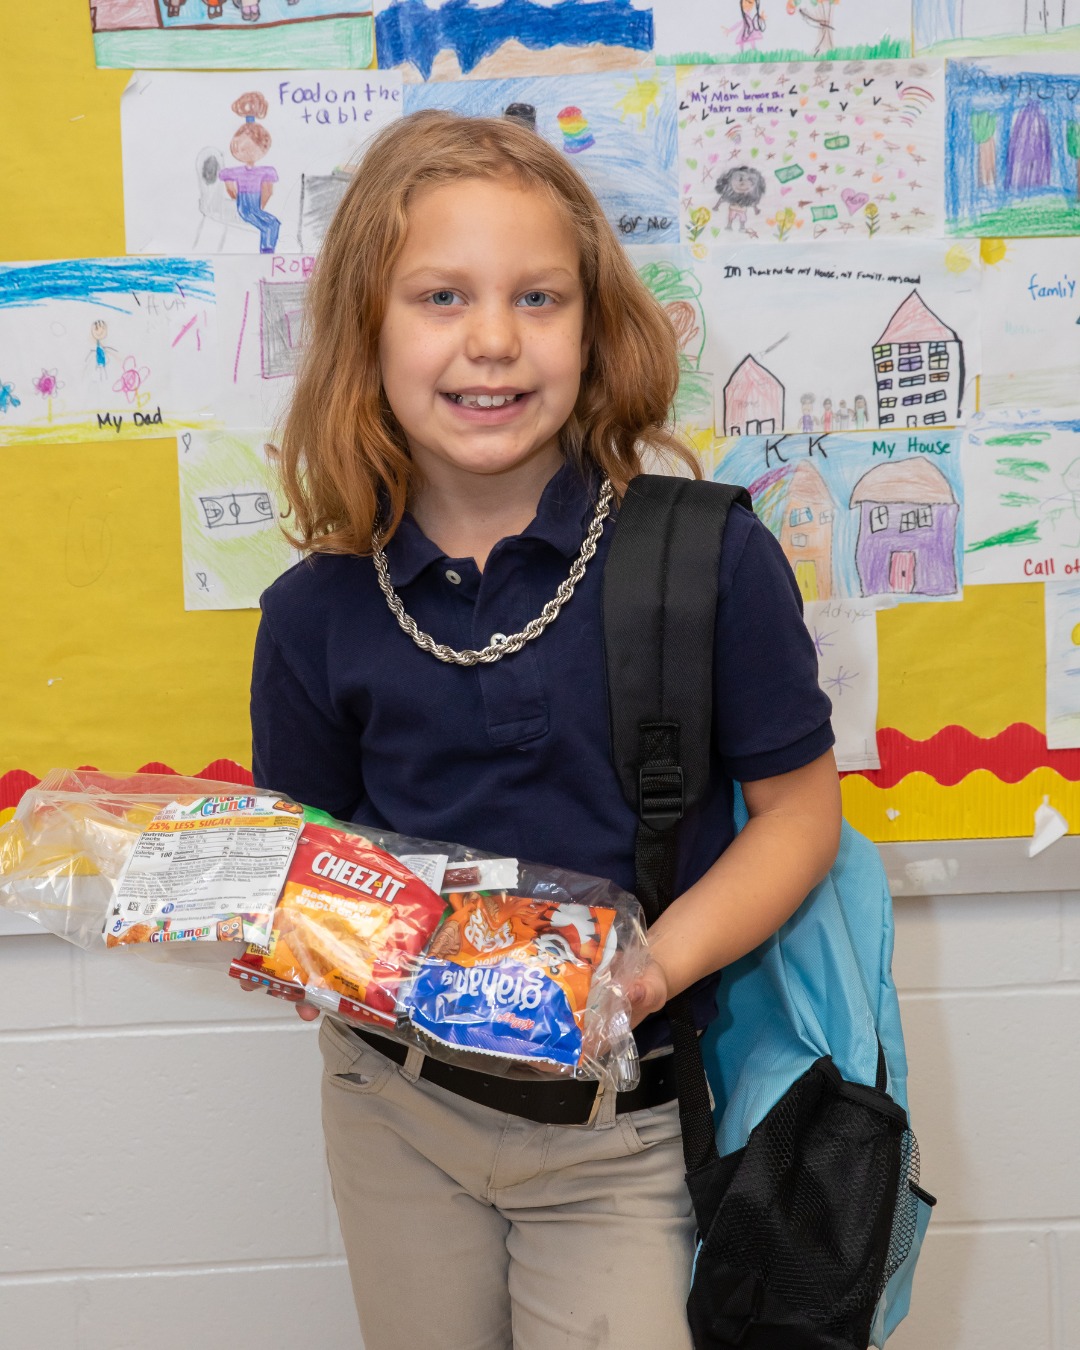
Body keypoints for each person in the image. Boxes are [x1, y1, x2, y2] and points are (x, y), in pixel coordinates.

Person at [249, 110, 840, 1350]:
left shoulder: (710, 559)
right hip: (393, 1109)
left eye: (538, 297)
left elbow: (801, 816)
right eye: (440, 296)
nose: (491, 341)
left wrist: (657, 972)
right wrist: (233, 898)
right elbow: (305, 864)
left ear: (594, 326)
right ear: (367, 328)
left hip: (620, 1127)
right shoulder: (314, 612)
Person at [218, 92, 280, 253]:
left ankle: (267, 251)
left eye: (254, 149)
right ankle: (266, 252)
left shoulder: (265, 172)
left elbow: (268, 192)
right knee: (269, 225)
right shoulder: (236, 172)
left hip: (255, 206)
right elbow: (230, 188)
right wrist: (238, 198)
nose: (248, 154)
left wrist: (260, 207)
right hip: (245, 207)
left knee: (273, 223)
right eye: (243, 149)